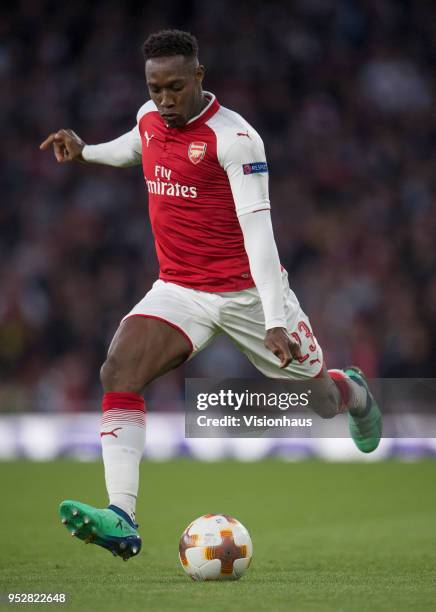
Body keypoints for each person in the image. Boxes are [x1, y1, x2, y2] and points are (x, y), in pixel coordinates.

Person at [40, 29, 382, 561]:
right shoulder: (150, 118)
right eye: (155, 88)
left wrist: (274, 318)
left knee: (322, 402)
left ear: (199, 76)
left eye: (175, 87)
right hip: (179, 288)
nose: (165, 100)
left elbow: (259, 235)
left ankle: (354, 392)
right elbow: (133, 148)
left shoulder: (236, 140)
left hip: (248, 296)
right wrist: (84, 151)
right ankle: (122, 517)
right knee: (118, 371)